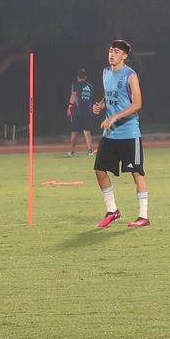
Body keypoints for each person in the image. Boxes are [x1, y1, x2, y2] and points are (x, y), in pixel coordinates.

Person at [92, 39, 149, 228]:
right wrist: (101, 105)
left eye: (116, 51)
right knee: (100, 170)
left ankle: (143, 216)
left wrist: (114, 117)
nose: (112, 54)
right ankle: (112, 211)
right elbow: (110, 94)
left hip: (129, 133)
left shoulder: (130, 76)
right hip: (110, 134)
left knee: (136, 173)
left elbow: (137, 103)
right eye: (110, 50)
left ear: (124, 56)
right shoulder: (105, 72)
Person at [67, 69, 94, 157]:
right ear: (85, 77)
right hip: (87, 112)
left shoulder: (75, 85)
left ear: (78, 77)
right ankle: (90, 151)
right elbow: (91, 100)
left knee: (74, 131)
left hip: (77, 111)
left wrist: (70, 106)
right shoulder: (90, 87)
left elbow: (73, 95)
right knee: (87, 131)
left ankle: (72, 151)